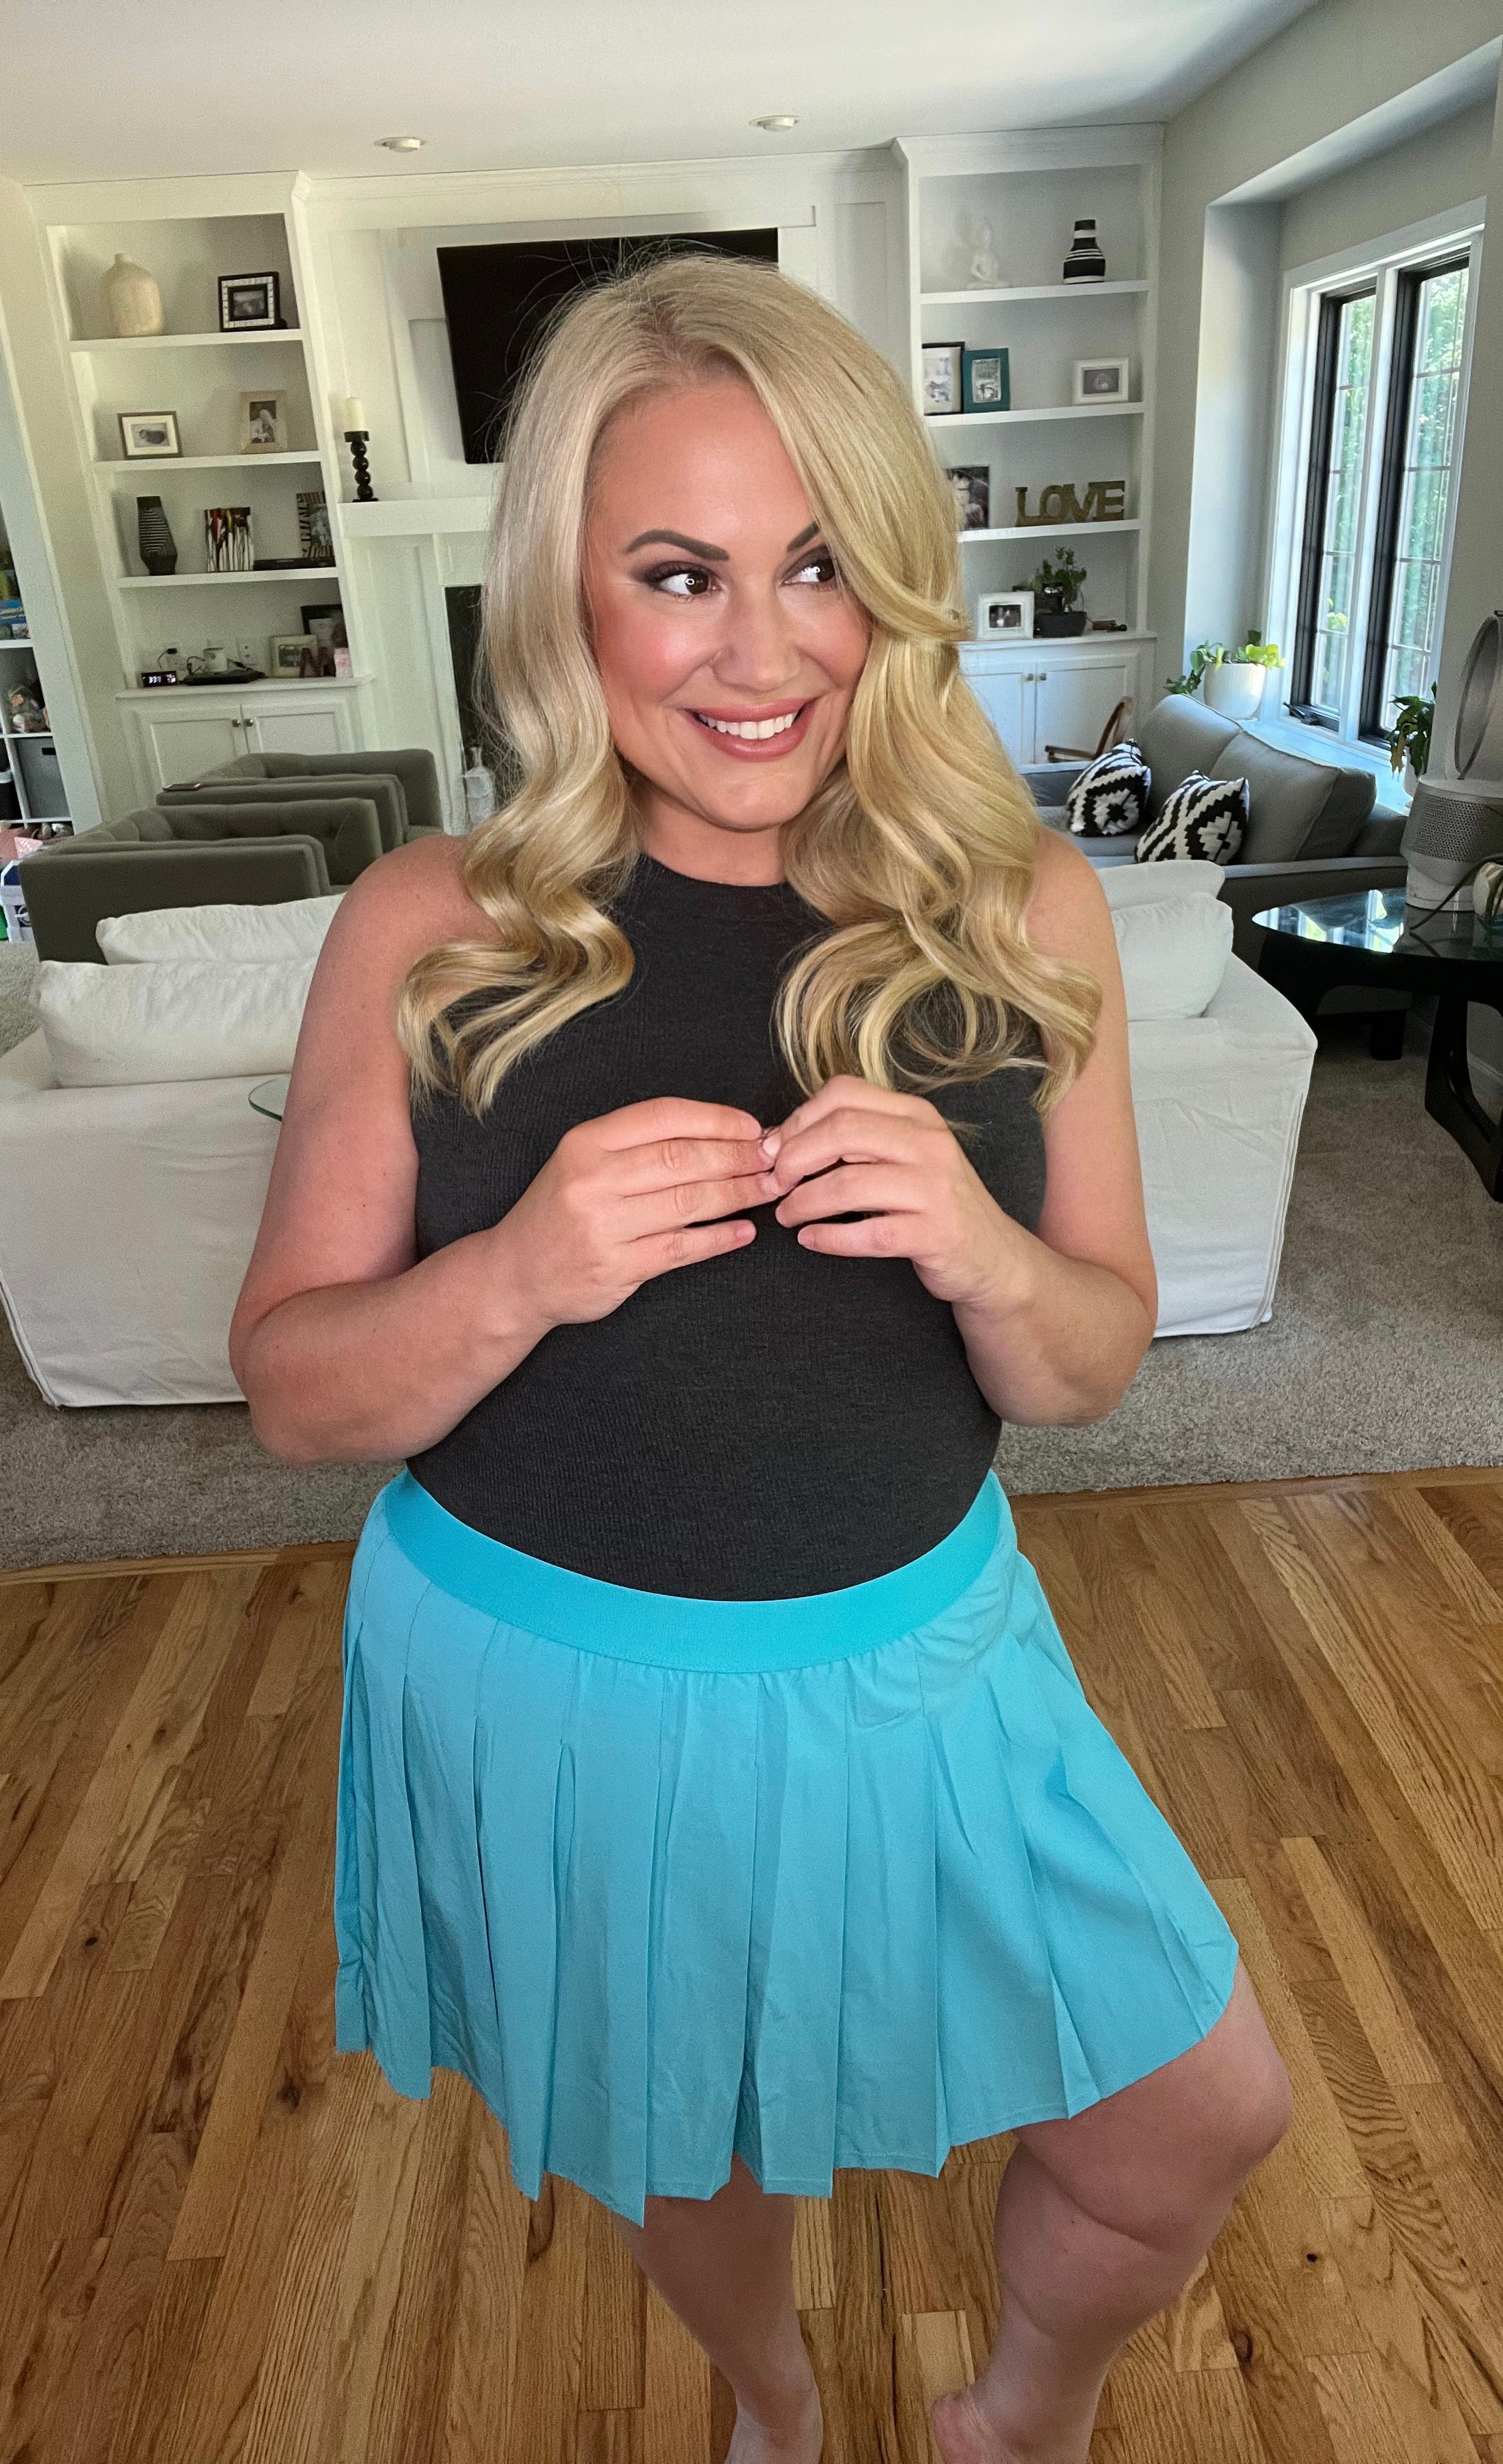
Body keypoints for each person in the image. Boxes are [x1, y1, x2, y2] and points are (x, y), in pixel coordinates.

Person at [230, 255, 1290, 2464]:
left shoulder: (1020, 906)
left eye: (816, 563)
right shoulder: (432, 923)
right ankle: (776, 2403)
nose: (760, 649)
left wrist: (984, 1252)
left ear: (890, 579)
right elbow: (297, 1395)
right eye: (675, 573)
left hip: (930, 1654)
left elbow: (1083, 1366)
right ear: (567, 597)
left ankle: (1014, 2423)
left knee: (1192, 2117)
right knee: (694, 2147)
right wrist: (518, 1270)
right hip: (565, 1685)